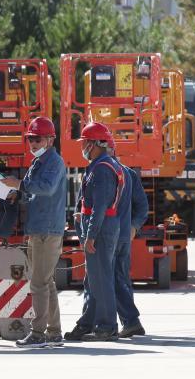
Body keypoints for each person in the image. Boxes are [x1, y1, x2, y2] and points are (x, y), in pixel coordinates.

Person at [0, 116, 68, 348]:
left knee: (39, 283)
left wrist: (19, 185)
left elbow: (46, 189)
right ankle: (54, 331)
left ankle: (39, 334)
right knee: (45, 282)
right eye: (30, 139)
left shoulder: (54, 163)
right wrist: (18, 194)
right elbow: (34, 193)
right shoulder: (39, 163)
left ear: (50, 140)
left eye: (37, 139)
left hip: (46, 230)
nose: (33, 144)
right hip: (40, 228)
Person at [64, 122, 123, 342]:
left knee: (102, 279)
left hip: (100, 230)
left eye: (86, 143)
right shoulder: (103, 165)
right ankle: (88, 322)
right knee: (94, 280)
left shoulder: (102, 168)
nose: (84, 147)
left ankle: (107, 325)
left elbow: (100, 207)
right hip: (102, 227)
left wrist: (90, 235)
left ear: (95, 144)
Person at [111, 140, 149, 338]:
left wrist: (134, 225)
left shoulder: (127, 174)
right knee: (114, 278)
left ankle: (130, 321)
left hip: (120, 235)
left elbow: (142, 206)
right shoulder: (97, 170)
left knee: (118, 278)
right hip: (115, 234)